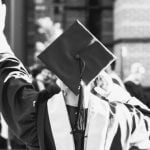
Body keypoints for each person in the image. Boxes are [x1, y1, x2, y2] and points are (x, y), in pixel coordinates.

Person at [0, 2, 150, 150]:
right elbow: (146, 118)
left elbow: (10, 78)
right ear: (96, 82)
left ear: (61, 80)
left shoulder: (40, 118)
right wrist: (111, 89)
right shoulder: (120, 118)